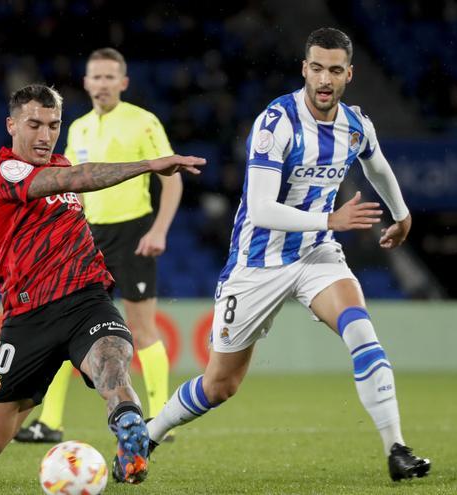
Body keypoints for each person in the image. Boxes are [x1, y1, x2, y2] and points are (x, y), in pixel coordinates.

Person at [144, 27, 430, 483]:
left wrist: (401, 213)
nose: (324, 78)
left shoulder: (355, 125)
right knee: (221, 385)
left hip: (317, 254)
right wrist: (329, 220)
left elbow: (376, 162)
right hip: (257, 264)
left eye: (335, 70)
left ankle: (397, 448)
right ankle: (149, 433)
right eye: (316, 67)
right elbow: (260, 208)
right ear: (304, 68)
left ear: (348, 75)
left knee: (361, 330)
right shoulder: (276, 123)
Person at [0, 84, 205, 493]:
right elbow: (79, 176)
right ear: (11, 125)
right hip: (28, 317)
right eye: (34, 125)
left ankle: (130, 426)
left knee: (112, 360)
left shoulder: (60, 167)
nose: (45, 136)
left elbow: (73, 182)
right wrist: (148, 165)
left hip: (87, 300)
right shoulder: (1, 168)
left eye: (53, 125)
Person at [15, 47, 182, 445]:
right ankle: (49, 423)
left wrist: (159, 229)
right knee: (65, 332)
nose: (103, 84)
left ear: (123, 83)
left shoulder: (143, 122)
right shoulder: (78, 128)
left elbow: (171, 177)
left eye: (111, 77)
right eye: (96, 77)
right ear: (86, 82)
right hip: (89, 238)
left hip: (133, 233)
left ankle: (158, 418)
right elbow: (73, 185)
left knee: (142, 329)